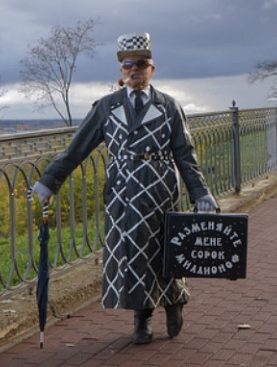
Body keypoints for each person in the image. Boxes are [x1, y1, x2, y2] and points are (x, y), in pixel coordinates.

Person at [31, 32, 219, 345]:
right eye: (128, 65)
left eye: (141, 64)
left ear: (152, 69)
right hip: (122, 193)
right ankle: (141, 320)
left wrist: (200, 194)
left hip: (161, 192)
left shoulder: (169, 107)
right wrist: (50, 181)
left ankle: (174, 302)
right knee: (132, 256)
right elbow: (77, 149)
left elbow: (186, 155)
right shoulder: (106, 107)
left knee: (165, 254)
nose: (134, 70)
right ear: (121, 72)